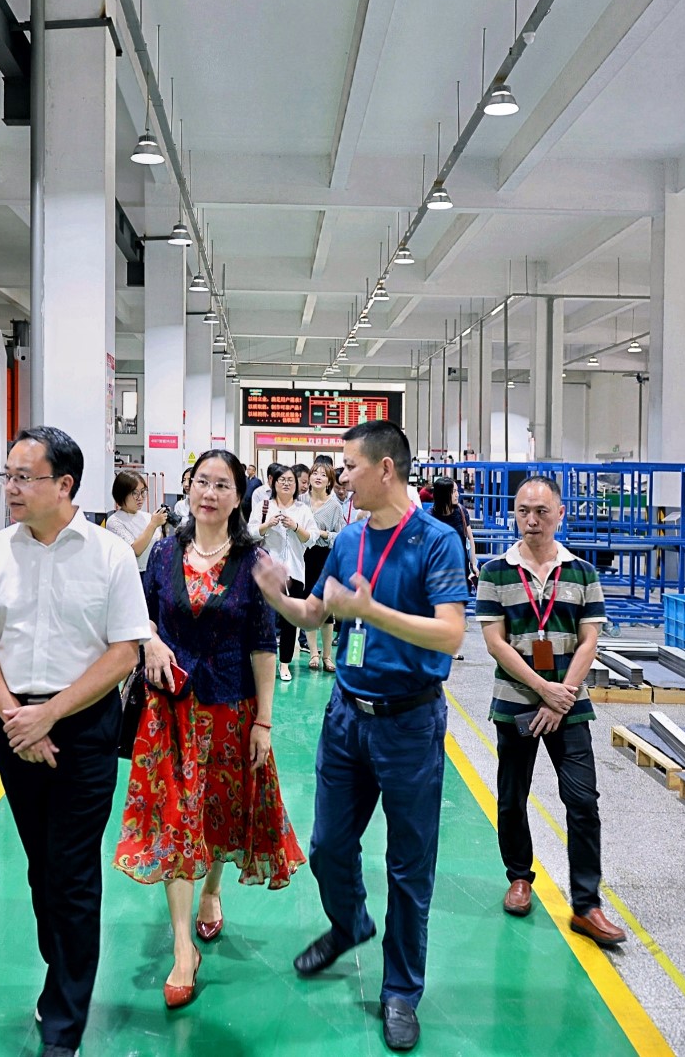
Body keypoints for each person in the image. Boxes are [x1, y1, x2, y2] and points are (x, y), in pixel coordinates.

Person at [253, 420, 468, 1053]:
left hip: (409, 723)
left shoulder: (436, 542)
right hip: (347, 716)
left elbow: (450, 634)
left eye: (349, 467)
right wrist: (279, 598)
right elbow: (317, 613)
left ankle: (400, 990)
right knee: (326, 846)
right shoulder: (348, 539)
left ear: (386, 469)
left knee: (408, 866)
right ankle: (349, 923)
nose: (340, 476)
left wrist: (372, 612)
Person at [0, 427, 151, 1057]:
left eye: (24, 477)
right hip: (14, 724)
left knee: (72, 870)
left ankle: (65, 1020)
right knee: (42, 866)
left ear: (64, 485)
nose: (10, 488)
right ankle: (60, 964)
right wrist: (18, 716)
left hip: (84, 727)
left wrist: (52, 715)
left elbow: (124, 652)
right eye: (8, 476)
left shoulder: (109, 555)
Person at [113, 449, 306, 1010]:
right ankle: (182, 949)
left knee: (218, 811)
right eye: (202, 482)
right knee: (177, 818)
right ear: (189, 487)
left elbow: (263, 644)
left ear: (239, 496)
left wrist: (264, 720)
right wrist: (150, 639)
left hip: (230, 709)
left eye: (223, 485)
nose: (210, 493)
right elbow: (141, 614)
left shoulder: (254, 561)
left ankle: (212, 891)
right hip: (169, 710)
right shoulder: (165, 552)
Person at [474, 475, 626, 949]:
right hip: (516, 703)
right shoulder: (495, 572)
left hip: (570, 707)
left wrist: (564, 696)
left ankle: (586, 904)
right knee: (511, 797)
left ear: (560, 513)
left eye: (541, 511)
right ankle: (519, 877)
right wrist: (544, 689)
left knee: (582, 801)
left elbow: (589, 640)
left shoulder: (582, 573)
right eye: (523, 511)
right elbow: (496, 642)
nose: (532, 520)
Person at [255, 463, 316, 682]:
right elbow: (250, 533)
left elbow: (312, 538)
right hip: (269, 573)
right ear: (273, 483)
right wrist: (267, 525)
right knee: (266, 620)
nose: (287, 483)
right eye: (282, 480)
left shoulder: (303, 509)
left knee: (291, 621)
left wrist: (296, 526)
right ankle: (265, 663)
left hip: (295, 572)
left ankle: (285, 664)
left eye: (291, 480)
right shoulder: (263, 505)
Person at [302, 462, 345, 672]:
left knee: (326, 607)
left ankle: (327, 656)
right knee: (308, 604)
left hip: (324, 556)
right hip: (302, 556)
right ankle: (313, 653)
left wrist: (323, 534)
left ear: (329, 481)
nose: (318, 477)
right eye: (315, 473)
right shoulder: (300, 501)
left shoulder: (334, 506)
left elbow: (341, 536)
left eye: (323, 475)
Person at [106, 470, 169, 570]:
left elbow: (157, 544)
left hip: (153, 570)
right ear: (121, 494)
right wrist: (153, 524)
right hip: (133, 573)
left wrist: (164, 528)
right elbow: (135, 551)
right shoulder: (114, 521)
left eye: (143, 492)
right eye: (135, 493)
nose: (140, 498)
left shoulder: (147, 516)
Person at [430, 477, 478, 594]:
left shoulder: (461, 512)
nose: (457, 494)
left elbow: (470, 538)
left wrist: (473, 564)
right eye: (454, 491)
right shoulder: (430, 517)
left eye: (457, 491)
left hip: (461, 570)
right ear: (443, 494)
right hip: (438, 572)